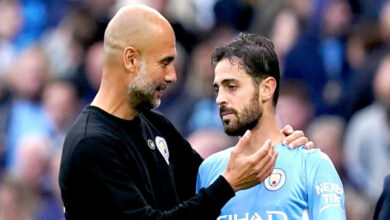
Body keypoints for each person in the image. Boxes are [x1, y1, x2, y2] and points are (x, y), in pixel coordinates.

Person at [59, 4, 310, 220]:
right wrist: (228, 185)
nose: (172, 75)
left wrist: (279, 151)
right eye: (165, 62)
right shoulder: (91, 145)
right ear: (131, 59)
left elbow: (208, 180)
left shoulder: (155, 124)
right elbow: (219, 190)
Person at [196, 33, 346, 219]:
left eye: (232, 87)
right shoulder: (209, 169)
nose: (220, 99)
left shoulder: (312, 164)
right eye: (218, 89)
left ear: (266, 89)